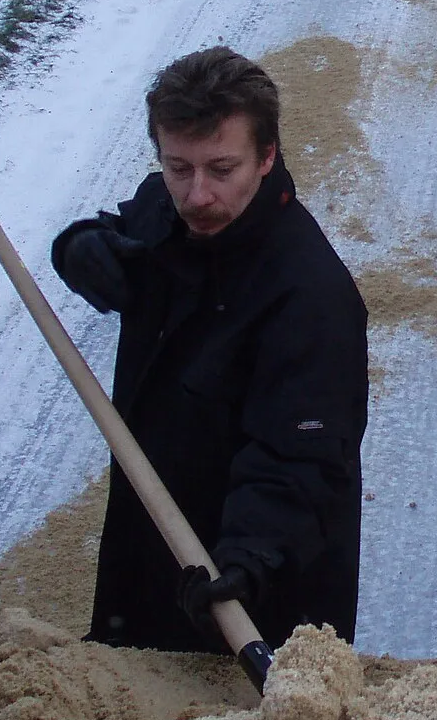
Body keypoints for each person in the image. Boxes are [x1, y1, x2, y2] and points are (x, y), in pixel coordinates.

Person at [50, 46, 368, 653]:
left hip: (256, 601)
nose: (196, 195)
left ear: (267, 156)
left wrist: (249, 562)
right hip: (149, 560)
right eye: (178, 167)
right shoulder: (165, 214)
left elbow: (300, 462)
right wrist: (80, 247)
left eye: (222, 169)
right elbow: (119, 225)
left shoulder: (309, 296)